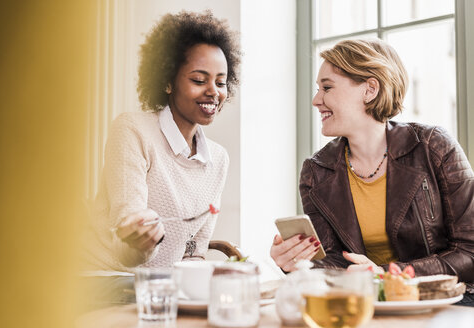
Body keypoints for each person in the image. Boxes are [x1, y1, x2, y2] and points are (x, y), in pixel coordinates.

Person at [270, 39, 474, 305]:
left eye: (327, 87)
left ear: (370, 89)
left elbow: (469, 251)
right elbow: (333, 262)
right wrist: (296, 264)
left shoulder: (433, 146)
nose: (316, 100)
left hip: (442, 301)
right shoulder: (316, 171)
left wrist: (387, 275)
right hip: (364, 305)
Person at [82, 10, 241, 307]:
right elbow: (127, 246)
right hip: (108, 279)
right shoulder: (132, 130)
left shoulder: (218, 158)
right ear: (167, 82)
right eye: (198, 79)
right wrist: (139, 237)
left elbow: (193, 251)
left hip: (162, 290)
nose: (213, 92)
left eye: (220, 82)